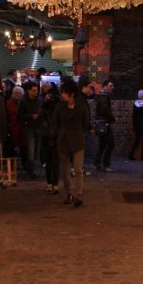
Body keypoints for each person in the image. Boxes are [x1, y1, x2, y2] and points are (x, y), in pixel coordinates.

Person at [53, 79, 90, 207]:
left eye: (64, 92)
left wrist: (81, 133)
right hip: (63, 140)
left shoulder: (81, 106)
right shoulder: (59, 107)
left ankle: (78, 194)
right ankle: (69, 193)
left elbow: (85, 123)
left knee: (78, 169)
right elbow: (56, 123)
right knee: (65, 170)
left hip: (77, 140)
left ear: (72, 93)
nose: (62, 95)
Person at [16, 80, 41, 179]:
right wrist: (31, 116)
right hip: (28, 127)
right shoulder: (23, 101)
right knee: (31, 149)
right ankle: (30, 169)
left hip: (38, 127)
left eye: (36, 91)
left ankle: (30, 167)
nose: (36, 93)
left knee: (36, 150)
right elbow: (19, 115)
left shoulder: (39, 100)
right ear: (29, 91)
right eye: (34, 91)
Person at [39, 84, 60, 193]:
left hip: (52, 136)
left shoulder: (57, 106)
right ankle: (51, 183)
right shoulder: (46, 106)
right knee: (51, 161)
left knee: (53, 161)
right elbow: (40, 116)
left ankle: (53, 183)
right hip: (49, 136)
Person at [93, 78, 115, 172]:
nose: (112, 87)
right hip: (104, 123)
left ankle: (97, 163)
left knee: (102, 144)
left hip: (102, 122)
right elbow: (104, 110)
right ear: (105, 86)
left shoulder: (103, 95)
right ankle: (105, 164)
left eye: (113, 86)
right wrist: (112, 118)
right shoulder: (104, 96)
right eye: (110, 86)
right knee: (110, 143)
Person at [128, 89, 143, 160]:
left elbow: (134, 116)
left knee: (137, 139)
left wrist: (134, 125)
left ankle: (131, 153)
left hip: (137, 124)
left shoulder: (135, 104)